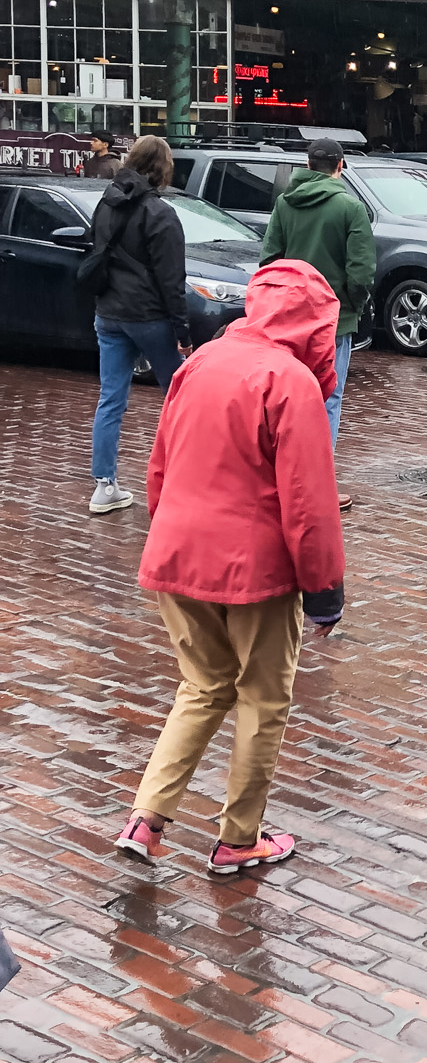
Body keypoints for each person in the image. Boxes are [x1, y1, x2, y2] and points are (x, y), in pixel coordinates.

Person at [113, 259, 346, 878]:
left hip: (176, 554)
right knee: (263, 699)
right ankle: (238, 838)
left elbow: (159, 467)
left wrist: (169, 537)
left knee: (203, 685)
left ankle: (147, 817)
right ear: (315, 326)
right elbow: (308, 503)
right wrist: (325, 591)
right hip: (255, 571)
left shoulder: (199, 362)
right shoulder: (289, 381)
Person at [259, 140, 377, 486]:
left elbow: (269, 261)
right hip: (333, 320)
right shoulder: (350, 208)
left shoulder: (284, 203)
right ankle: (315, 480)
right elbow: (361, 271)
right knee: (328, 396)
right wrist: (353, 305)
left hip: (288, 317)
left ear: (308, 165)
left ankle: (283, 470)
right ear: (340, 165)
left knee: (287, 398)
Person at [86, 136, 190, 517]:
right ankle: (184, 477)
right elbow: (171, 280)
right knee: (180, 397)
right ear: (162, 168)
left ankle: (104, 485)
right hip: (150, 317)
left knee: (111, 399)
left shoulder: (106, 201)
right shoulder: (160, 214)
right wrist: (183, 333)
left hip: (109, 313)